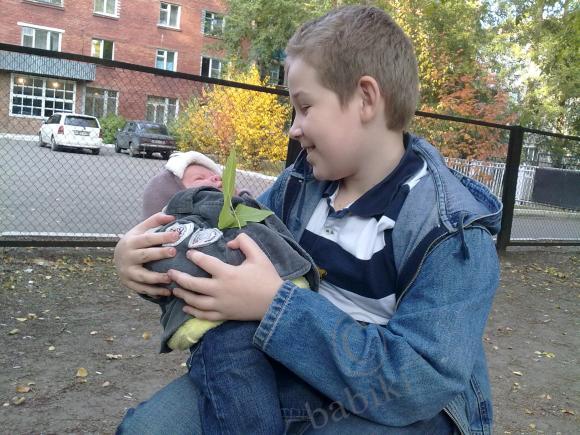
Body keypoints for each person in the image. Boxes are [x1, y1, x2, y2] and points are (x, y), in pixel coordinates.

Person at [114, 5, 501, 434]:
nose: (293, 129)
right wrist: (147, 262)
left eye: (304, 107)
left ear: (365, 99)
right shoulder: (298, 188)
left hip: (393, 404)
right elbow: (223, 258)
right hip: (290, 366)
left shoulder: (452, 234)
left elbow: (416, 382)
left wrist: (275, 305)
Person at [139, 152, 322, 434]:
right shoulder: (185, 233)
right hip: (222, 333)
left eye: (217, 175)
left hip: (276, 324)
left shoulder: (251, 215)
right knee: (244, 408)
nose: (215, 179)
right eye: (200, 179)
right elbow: (166, 272)